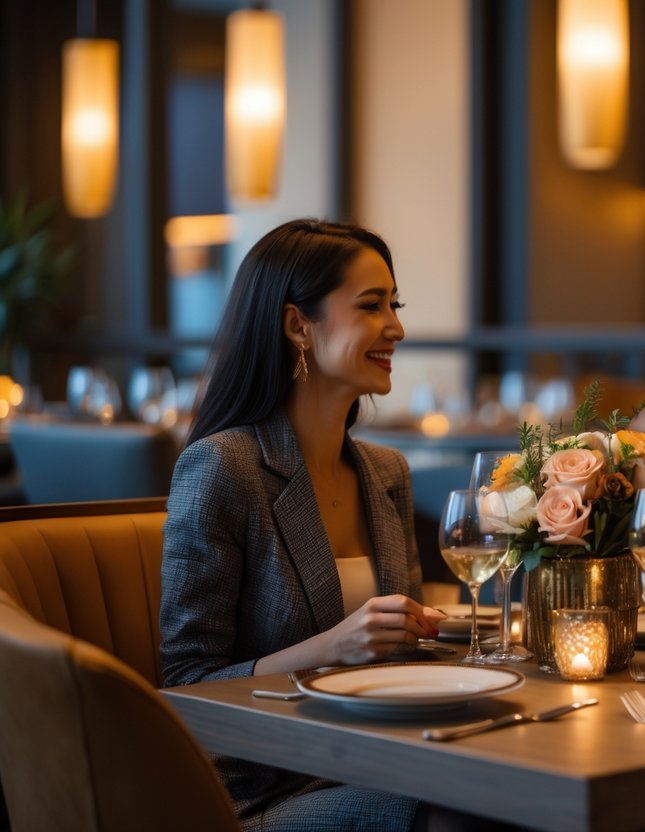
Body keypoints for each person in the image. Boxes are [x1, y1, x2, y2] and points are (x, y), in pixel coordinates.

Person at [160, 219, 457, 831]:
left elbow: (406, 660)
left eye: (394, 305)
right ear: (299, 325)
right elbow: (187, 686)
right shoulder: (223, 468)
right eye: (372, 306)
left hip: (387, 760)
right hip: (262, 795)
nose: (396, 327)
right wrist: (334, 648)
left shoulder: (386, 473)